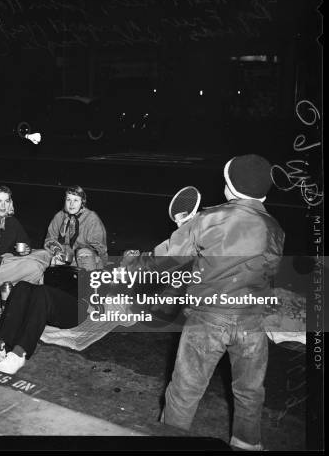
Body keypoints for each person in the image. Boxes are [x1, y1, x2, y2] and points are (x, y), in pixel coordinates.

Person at [121, 154, 284, 451]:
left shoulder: (209, 219)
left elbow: (165, 259)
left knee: (185, 391)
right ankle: (247, 444)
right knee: (250, 393)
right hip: (252, 323)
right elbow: (267, 270)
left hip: (208, 319)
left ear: (229, 188)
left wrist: (129, 268)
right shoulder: (275, 228)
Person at [0, 280, 90, 374]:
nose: (82, 258)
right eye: (79, 256)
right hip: (49, 302)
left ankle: (19, 352)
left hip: (77, 309)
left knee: (43, 291)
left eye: (87, 256)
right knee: (21, 286)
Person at [44, 185, 108, 271]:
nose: (71, 204)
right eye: (68, 199)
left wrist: (75, 254)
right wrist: (57, 251)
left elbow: (99, 249)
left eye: (76, 200)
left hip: (87, 260)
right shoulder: (59, 216)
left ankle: (86, 281)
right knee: (42, 255)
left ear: (82, 202)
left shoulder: (91, 218)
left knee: (84, 254)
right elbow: (50, 239)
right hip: (63, 256)